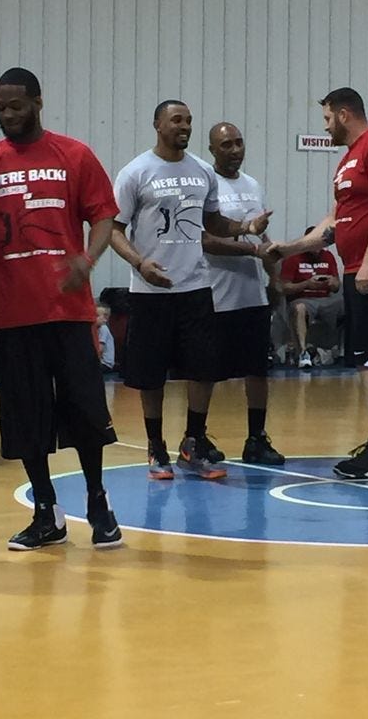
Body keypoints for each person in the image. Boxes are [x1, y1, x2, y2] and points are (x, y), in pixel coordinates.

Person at [0, 67, 122, 550]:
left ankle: (97, 502)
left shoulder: (75, 155)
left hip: (67, 313)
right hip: (11, 315)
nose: (7, 115)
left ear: (38, 103)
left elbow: (104, 216)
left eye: (16, 106)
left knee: (86, 414)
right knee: (26, 419)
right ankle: (47, 512)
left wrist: (87, 261)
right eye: (1, 107)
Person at [110, 100, 270, 481]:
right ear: (157, 125)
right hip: (151, 291)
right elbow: (114, 229)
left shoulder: (201, 171)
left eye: (188, 121)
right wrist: (140, 263)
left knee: (202, 371)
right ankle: (155, 447)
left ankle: (192, 444)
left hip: (197, 287)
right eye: (176, 120)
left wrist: (246, 228)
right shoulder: (136, 172)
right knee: (151, 376)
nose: (184, 127)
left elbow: (211, 221)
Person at [268, 87, 368, 479]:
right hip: (357, 268)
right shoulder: (348, 161)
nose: (327, 127)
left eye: (328, 119)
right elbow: (336, 223)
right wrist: (287, 248)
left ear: (345, 114)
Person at [203, 122, 285, 465]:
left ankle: (256, 438)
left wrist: (274, 278)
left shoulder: (252, 185)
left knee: (257, 370)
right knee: (205, 371)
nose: (235, 150)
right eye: (226, 145)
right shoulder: (207, 184)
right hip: (215, 292)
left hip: (252, 294)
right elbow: (205, 240)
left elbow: (261, 241)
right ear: (213, 150)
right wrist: (251, 251)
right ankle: (197, 437)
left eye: (239, 143)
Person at [278, 227, 343, 368]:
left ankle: (348, 352)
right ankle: (303, 353)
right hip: (303, 299)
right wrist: (306, 284)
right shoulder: (293, 258)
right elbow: (284, 288)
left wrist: (333, 282)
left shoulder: (328, 257)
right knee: (299, 308)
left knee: (350, 304)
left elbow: (337, 286)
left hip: (327, 300)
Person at [96, 302, 116, 371]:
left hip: (105, 363)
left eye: (96, 316)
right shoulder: (96, 329)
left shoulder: (103, 329)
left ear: (105, 319)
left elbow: (100, 349)